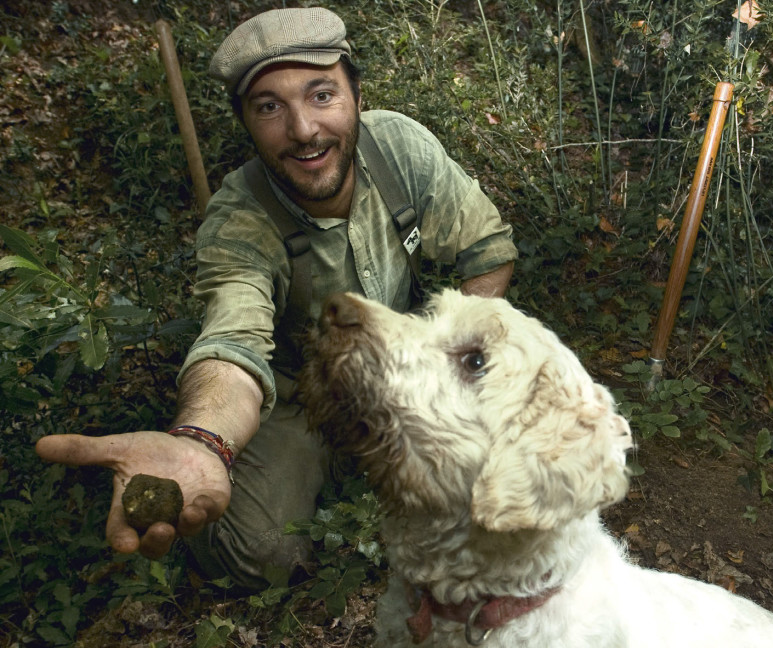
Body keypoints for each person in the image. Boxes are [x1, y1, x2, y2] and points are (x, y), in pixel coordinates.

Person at [35, 7, 517, 591]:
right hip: (299, 396)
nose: (304, 130)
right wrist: (203, 442)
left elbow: (488, 253)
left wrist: (446, 365)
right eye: (269, 107)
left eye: (321, 95)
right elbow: (231, 344)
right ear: (245, 121)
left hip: (408, 363)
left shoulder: (399, 150)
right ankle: (329, 469)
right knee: (257, 551)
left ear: (356, 94)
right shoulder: (239, 221)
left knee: (511, 482)